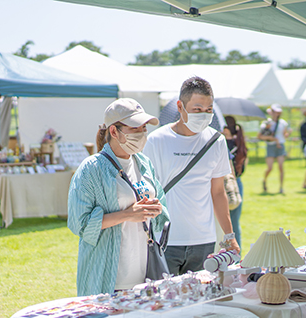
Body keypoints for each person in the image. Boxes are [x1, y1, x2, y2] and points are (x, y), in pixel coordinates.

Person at [68, 98, 169, 296]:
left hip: (145, 276)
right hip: (108, 279)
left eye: (144, 127)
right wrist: (127, 214)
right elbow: (79, 224)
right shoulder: (91, 169)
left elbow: (162, 208)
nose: (142, 133)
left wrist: (156, 209)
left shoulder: (144, 163)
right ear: (114, 132)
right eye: (135, 128)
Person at [143, 77, 240, 276]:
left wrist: (230, 235)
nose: (204, 115)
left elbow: (218, 192)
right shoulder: (156, 140)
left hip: (204, 240)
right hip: (165, 239)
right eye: (197, 110)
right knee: (165, 302)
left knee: (201, 302)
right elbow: (146, 190)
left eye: (209, 109)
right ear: (180, 106)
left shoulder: (216, 141)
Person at [223, 115, 248, 249]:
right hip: (237, 183)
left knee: (227, 222)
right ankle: (236, 255)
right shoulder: (239, 141)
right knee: (234, 222)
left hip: (225, 184)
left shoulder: (224, 143)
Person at [258, 103, 290, 194]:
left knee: (281, 167)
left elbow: (284, 135)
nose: (277, 114)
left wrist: (288, 134)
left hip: (280, 145)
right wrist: (271, 138)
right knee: (270, 168)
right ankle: (264, 181)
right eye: (276, 112)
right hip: (271, 146)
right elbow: (260, 136)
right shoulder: (266, 123)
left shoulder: (283, 123)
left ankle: (281, 187)